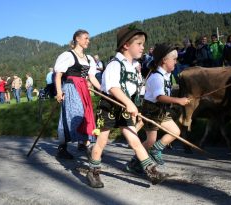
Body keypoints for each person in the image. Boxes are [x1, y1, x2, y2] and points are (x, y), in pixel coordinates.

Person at [86, 25, 168, 188]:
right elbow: (112, 87)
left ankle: (151, 171)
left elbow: (137, 89)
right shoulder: (115, 64)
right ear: (126, 45)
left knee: (134, 139)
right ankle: (93, 171)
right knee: (102, 141)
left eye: (143, 44)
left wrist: (136, 103)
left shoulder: (134, 67)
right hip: (109, 106)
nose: (142, 47)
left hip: (124, 108)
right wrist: (129, 103)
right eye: (139, 43)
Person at [126, 43, 191, 171]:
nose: (176, 62)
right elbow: (159, 97)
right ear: (164, 61)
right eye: (174, 59)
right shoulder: (157, 77)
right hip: (151, 111)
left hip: (162, 110)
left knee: (175, 132)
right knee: (150, 140)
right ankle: (135, 161)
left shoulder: (167, 75)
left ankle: (156, 149)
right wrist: (178, 100)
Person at [54, 29, 101, 160]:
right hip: (71, 88)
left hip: (83, 89)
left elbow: (91, 76)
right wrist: (59, 91)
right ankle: (63, 148)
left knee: (86, 115)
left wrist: (103, 90)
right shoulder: (67, 55)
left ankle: (84, 143)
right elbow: (58, 75)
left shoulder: (89, 58)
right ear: (77, 39)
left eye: (88, 38)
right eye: (86, 38)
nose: (88, 41)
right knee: (75, 114)